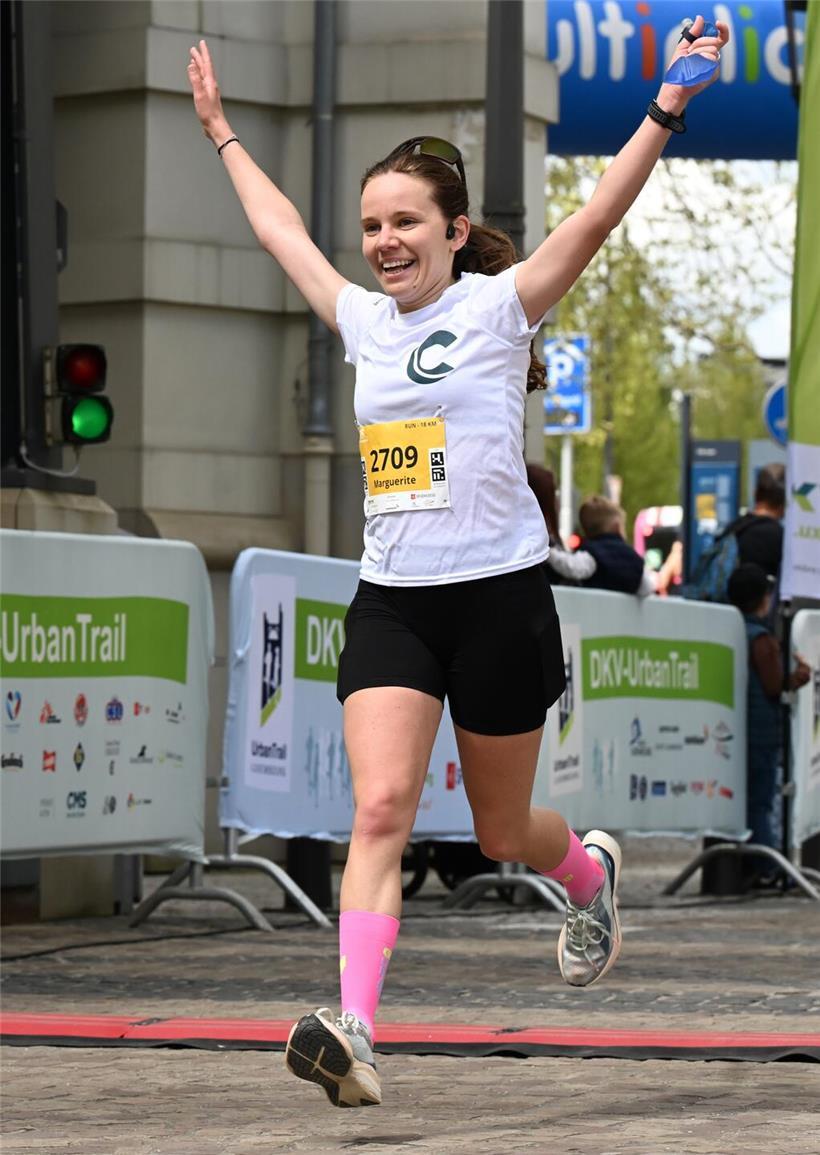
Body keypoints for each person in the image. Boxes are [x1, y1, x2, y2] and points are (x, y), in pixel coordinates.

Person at [187, 15, 728, 1109]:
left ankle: (586, 872)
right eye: (371, 226)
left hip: (497, 601)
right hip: (392, 601)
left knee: (499, 830)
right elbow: (282, 231)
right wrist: (220, 133)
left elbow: (598, 213)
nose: (383, 241)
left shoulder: (501, 307)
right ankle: (355, 1029)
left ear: (453, 229)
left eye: (404, 223)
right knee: (380, 808)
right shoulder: (359, 323)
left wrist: (669, 103)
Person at [727, 564, 810, 885]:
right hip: (761, 733)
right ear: (763, 599)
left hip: (738, 730)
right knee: (760, 802)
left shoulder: (729, 629)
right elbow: (775, 685)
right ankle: (770, 868)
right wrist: (800, 676)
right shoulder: (761, 638)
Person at [547, 495, 681, 595]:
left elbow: (571, 567)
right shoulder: (633, 558)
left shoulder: (592, 554)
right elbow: (646, 587)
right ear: (617, 527)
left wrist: (548, 552)